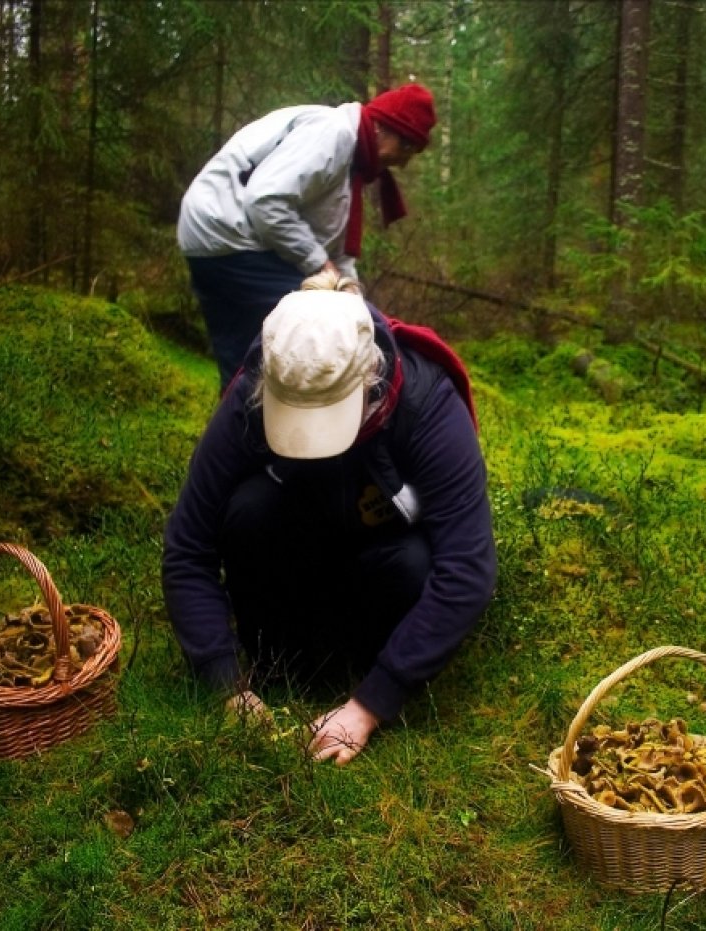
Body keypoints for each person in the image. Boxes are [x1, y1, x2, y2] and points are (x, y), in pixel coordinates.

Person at [161, 278, 497, 765]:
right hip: (294, 561)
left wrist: (370, 704)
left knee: (416, 561)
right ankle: (281, 660)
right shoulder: (250, 393)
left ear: (371, 375)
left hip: (381, 570)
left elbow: (467, 569)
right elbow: (188, 548)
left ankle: (361, 664)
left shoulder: (427, 404)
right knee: (247, 508)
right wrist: (225, 682)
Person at [177, 84, 437, 391]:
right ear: (382, 127)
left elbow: (336, 251)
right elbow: (266, 201)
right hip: (229, 235)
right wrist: (319, 264)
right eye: (405, 148)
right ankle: (298, 429)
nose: (403, 162)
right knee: (316, 328)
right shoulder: (333, 134)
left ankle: (237, 434)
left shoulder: (349, 163)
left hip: (216, 238)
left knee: (242, 368)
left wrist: (357, 305)